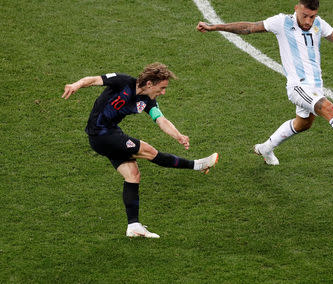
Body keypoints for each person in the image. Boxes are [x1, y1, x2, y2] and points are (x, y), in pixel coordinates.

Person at [197, 0, 333, 165]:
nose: (308, 21)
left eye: (312, 16)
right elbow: (248, 27)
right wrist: (214, 27)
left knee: (304, 123)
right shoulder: (283, 22)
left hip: (316, 87)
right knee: (330, 110)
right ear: (296, 9)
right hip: (298, 87)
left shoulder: (318, 24)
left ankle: (265, 148)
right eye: (305, 15)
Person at [62, 62, 218, 238]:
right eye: (162, 87)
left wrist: (179, 136)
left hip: (111, 133)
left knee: (133, 175)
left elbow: (161, 120)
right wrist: (76, 85)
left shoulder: (148, 100)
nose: (163, 92)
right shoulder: (123, 82)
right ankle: (197, 165)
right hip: (100, 135)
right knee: (149, 151)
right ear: (150, 83)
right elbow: (94, 80)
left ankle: (133, 226)